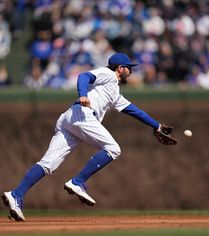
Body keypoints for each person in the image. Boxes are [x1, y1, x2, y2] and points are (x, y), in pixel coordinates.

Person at [1, 52, 174, 222]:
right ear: (120, 68)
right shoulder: (108, 74)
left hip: (69, 119)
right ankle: (78, 182)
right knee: (113, 149)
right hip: (82, 115)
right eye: (130, 68)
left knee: (48, 164)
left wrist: (156, 125)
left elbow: (133, 110)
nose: (132, 71)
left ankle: (16, 195)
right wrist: (82, 94)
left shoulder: (114, 91)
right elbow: (84, 76)